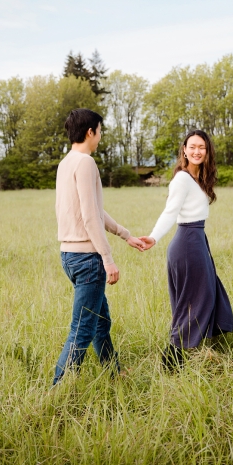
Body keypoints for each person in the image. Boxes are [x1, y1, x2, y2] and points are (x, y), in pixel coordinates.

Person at [52, 108, 146, 386]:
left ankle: (113, 371)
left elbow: (92, 209)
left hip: (69, 256)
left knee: (100, 323)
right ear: (90, 131)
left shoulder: (67, 162)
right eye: (100, 131)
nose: (100, 137)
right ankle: (57, 391)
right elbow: (90, 217)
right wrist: (107, 258)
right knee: (81, 330)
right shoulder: (86, 163)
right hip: (88, 259)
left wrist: (125, 234)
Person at [140, 129, 233, 367]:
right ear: (184, 150)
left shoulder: (197, 178)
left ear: (207, 151)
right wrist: (153, 237)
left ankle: (201, 346)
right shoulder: (182, 179)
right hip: (187, 243)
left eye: (201, 147)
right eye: (192, 147)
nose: (196, 151)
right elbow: (170, 212)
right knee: (194, 301)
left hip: (197, 242)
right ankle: (171, 360)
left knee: (208, 294)